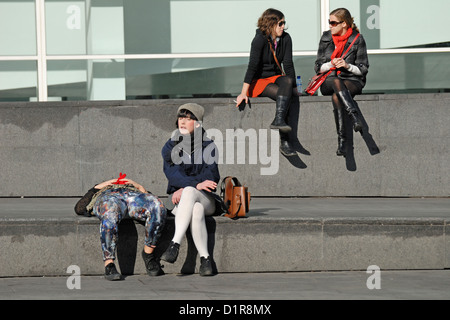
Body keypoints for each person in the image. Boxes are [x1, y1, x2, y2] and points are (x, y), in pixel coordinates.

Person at [161, 103, 222, 276]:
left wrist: (188, 186)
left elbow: (211, 180)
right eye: (181, 118)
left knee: (190, 193)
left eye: (188, 118)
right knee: (196, 209)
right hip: (179, 200)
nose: (183, 122)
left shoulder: (208, 146)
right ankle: (206, 260)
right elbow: (172, 174)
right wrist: (192, 184)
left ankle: (174, 243)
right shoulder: (170, 146)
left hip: (206, 198)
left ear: (197, 123)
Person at [74, 173, 167, 280]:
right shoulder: (102, 190)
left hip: (133, 197)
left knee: (157, 205)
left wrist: (139, 187)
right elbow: (79, 208)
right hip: (110, 197)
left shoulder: (134, 188)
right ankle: (109, 265)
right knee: (110, 211)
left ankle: (148, 254)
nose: (119, 181)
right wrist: (98, 187)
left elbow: (151, 201)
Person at [235, 8, 299, 157]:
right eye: (280, 23)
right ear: (270, 24)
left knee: (288, 81)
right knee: (285, 95)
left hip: (275, 78)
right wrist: (243, 93)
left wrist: (295, 87)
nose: (283, 26)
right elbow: (252, 67)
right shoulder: (259, 40)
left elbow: (288, 65)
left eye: (284, 23)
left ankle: (278, 120)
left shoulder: (286, 38)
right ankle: (285, 142)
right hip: (258, 81)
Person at [314, 8, 369, 157]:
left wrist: (347, 66)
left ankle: (342, 142)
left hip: (352, 81)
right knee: (336, 80)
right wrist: (331, 64)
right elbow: (318, 67)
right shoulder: (326, 38)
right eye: (329, 23)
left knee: (336, 96)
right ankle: (354, 116)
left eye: (333, 23)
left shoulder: (357, 39)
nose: (330, 26)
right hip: (329, 81)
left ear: (344, 24)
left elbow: (363, 69)